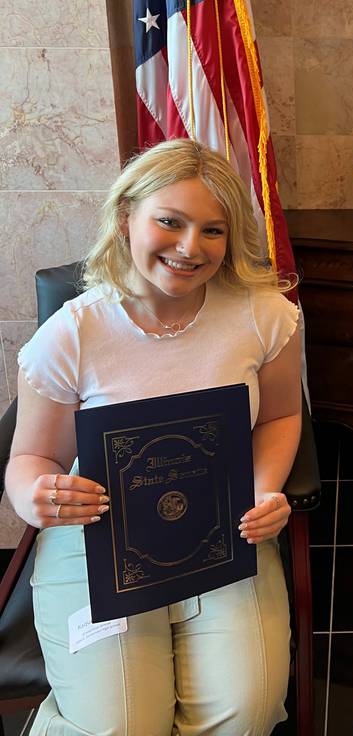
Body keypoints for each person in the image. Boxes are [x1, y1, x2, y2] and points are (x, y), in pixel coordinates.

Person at [6, 139, 302, 736]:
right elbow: (31, 456)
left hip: (221, 530)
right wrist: (32, 495)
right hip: (98, 542)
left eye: (213, 231)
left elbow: (279, 417)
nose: (191, 248)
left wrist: (263, 491)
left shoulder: (263, 315)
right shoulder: (72, 333)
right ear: (126, 218)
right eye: (170, 222)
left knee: (246, 715)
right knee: (121, 727)